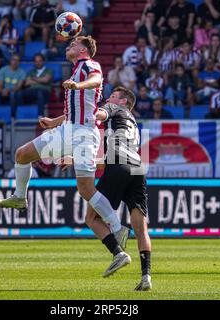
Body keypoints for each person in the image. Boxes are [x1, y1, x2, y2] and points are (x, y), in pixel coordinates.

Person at [0, 36, 129, 253]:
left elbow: (95, 80)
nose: (68, 46)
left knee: (86, 189)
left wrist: (78, 84)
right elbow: (74, 110)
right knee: (22, 154)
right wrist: (53, 122)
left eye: (73, 44)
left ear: (84, 49)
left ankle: (117, 227)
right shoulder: (75, 70)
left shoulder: (90, 65)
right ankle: (19, 197)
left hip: (84, 133)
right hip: (68, 131)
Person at [60, 87, 152, 290]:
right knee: (141, 227)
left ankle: (118, 252)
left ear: (124, 101)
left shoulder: (113, 109)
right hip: (138, 167)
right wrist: (77, 159)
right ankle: (146, 277)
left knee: (91, 218)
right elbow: (107, 161)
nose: (107, 99)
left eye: (112, 97)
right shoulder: (133, 123)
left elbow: (96, 115)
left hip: (119, 165)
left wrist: (90, 111)